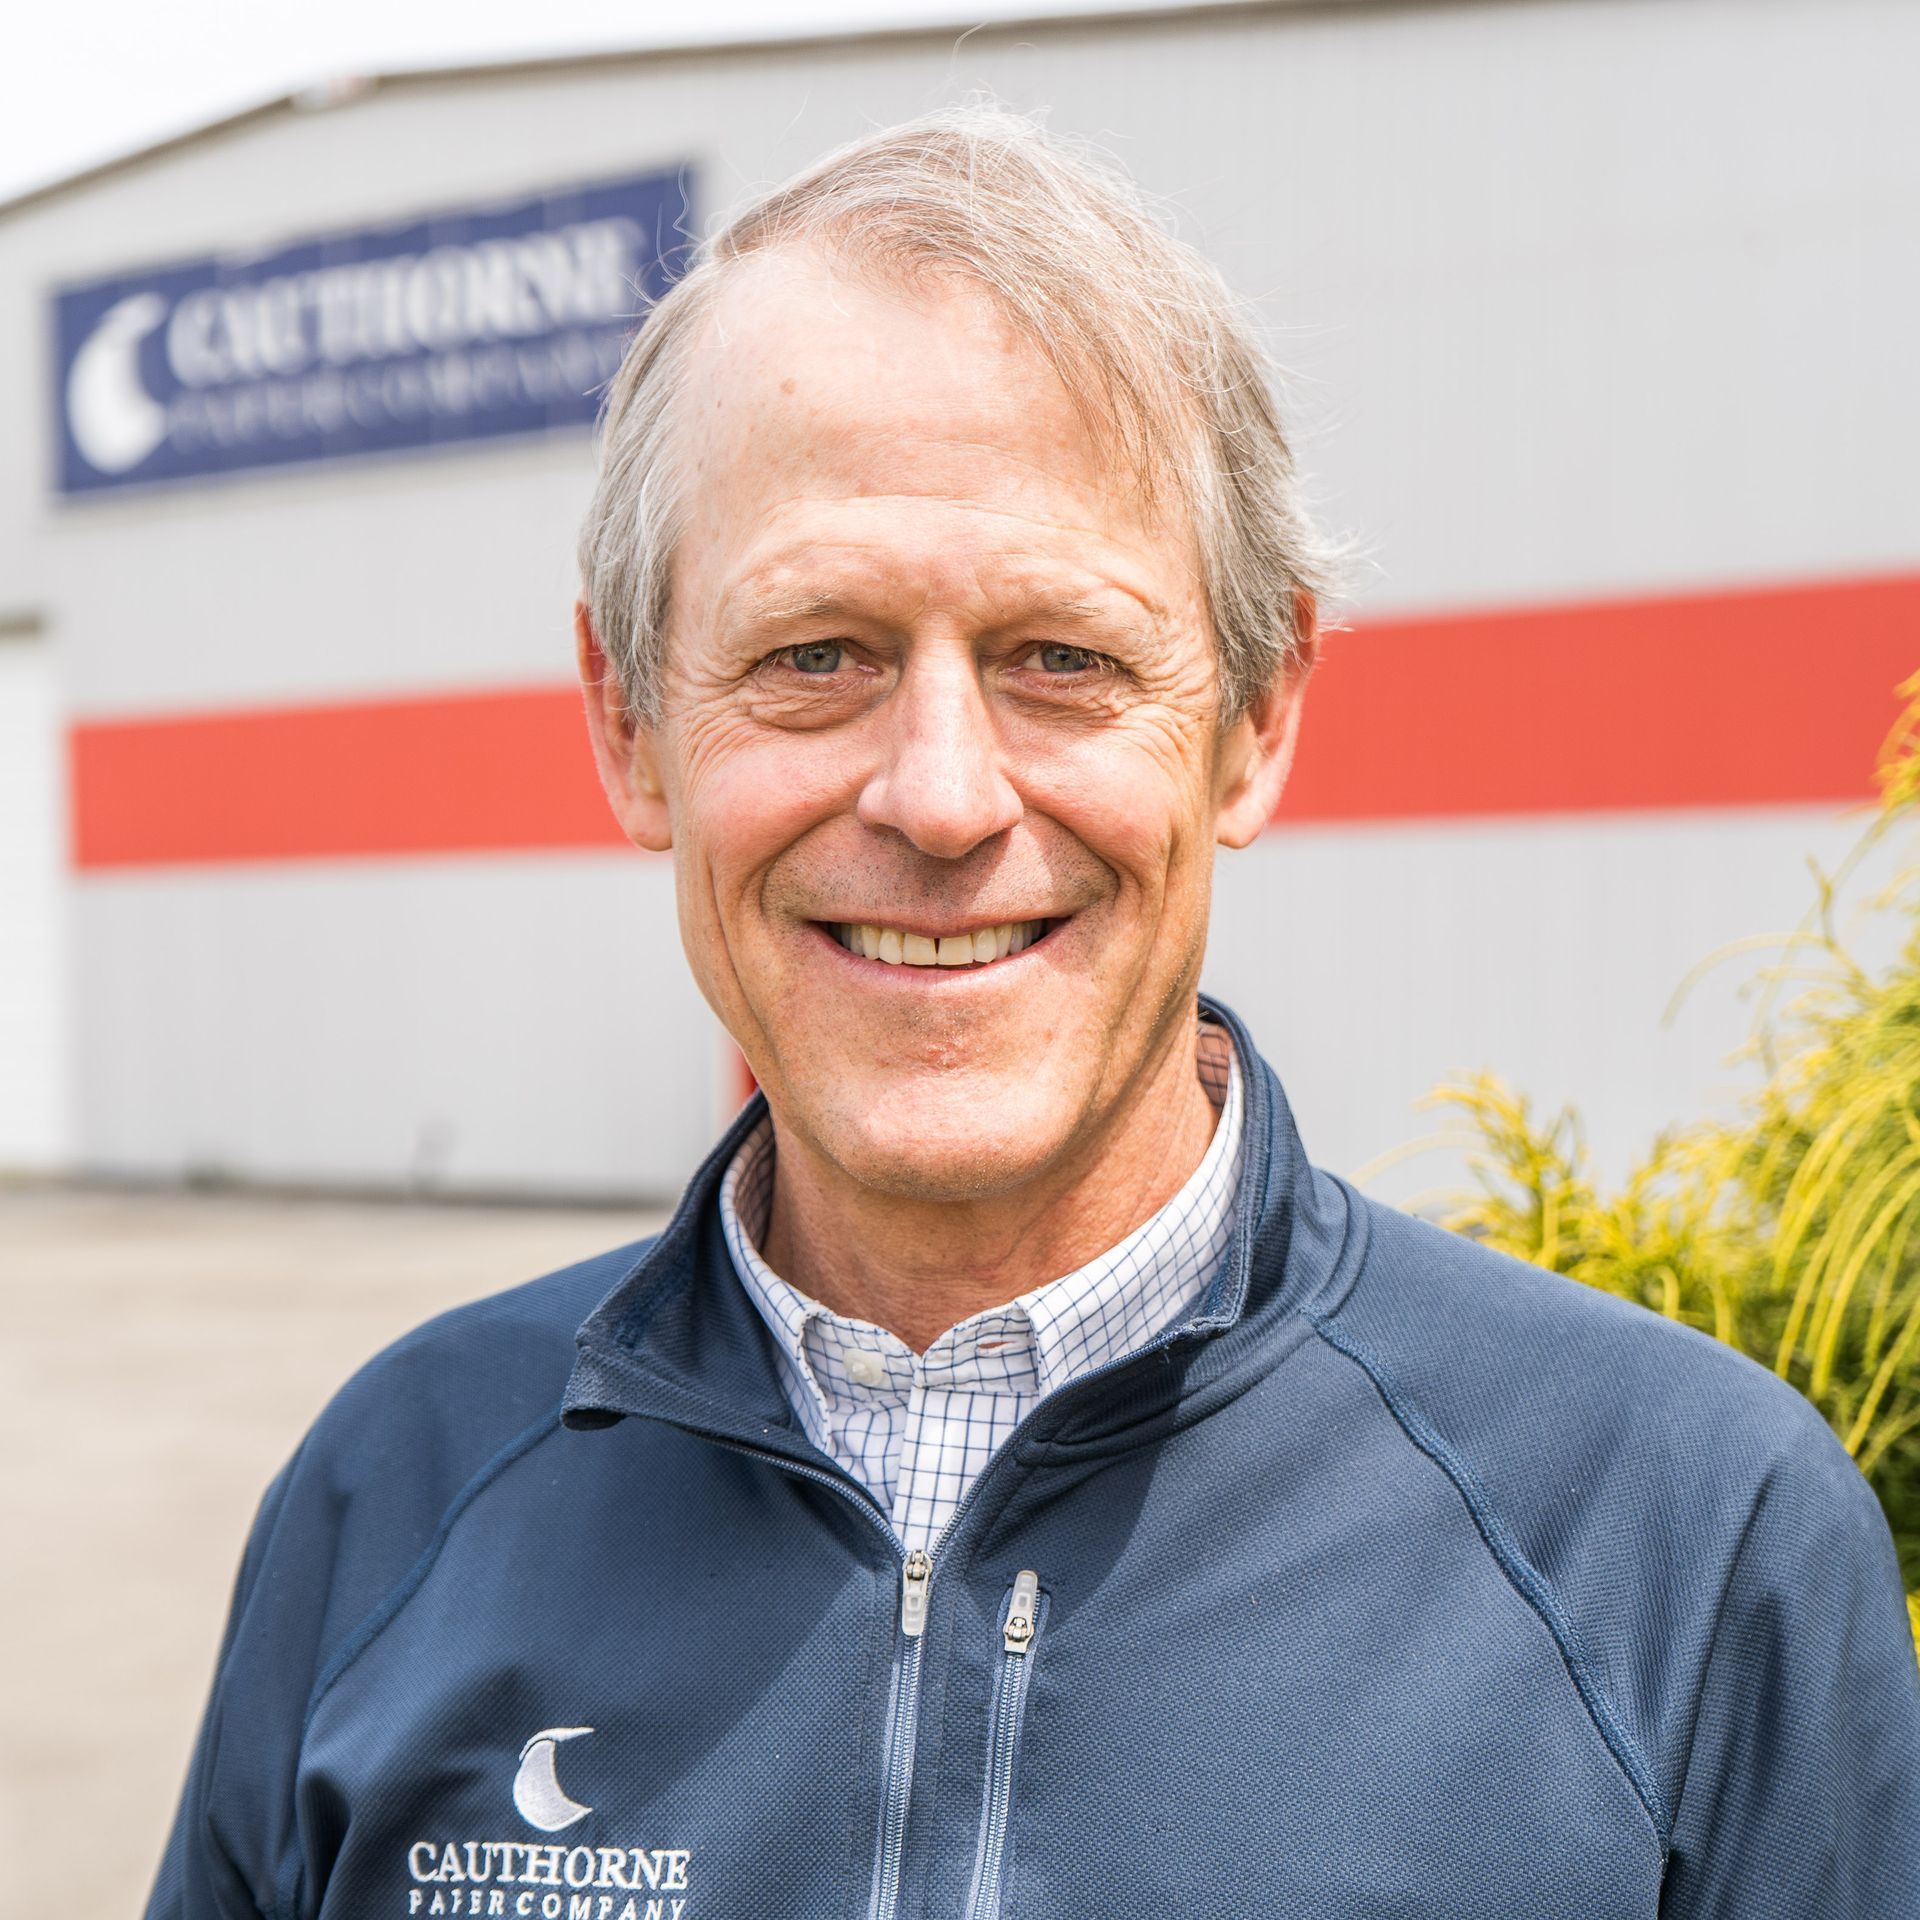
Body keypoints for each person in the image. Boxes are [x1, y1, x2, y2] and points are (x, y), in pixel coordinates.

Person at [148, 108, 1920, 1920]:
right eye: (811, 653)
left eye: (1061, 657)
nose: (939, 796)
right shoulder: (397, 1493)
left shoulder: (1685, 1547)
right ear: (629, 724)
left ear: (1255, 718)